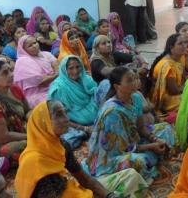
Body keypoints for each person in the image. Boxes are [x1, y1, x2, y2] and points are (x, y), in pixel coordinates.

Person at [15, 100, 148, 198]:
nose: (66, 119)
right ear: (44, 122)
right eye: (59, 115)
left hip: (77, 192)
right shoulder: (35, 162)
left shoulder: (62, 145)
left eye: (65, 113)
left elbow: (84, 178)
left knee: (131, 176)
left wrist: (108, 195)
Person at [85, 67, 175, 183]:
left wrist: (155, 139)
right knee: (138, 162)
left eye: (134, 79)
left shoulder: (136, 98)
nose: (135, 82)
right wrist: (152, 146)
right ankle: (152, 159)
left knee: (166, 128)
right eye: (129, 80)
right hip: (112, 155)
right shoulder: (113, 112)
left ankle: (153, 156)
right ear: (117, 86)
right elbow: (124, 148)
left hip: (135, 140)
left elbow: (141, 127)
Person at [48, 55, 98, 128]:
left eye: (78, 67)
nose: (75, 71)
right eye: (71, 68)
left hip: (93, 109)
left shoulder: (85, 78)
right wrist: (82, 128)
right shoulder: (58, 88)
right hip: (76, 117)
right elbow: (59, 113)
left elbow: (96, 92)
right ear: (64, 70)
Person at [149, 33, 186, 123]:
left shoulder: (180, 57)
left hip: (177, 90)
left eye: (185, 43)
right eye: (180, 44)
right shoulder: (167, 66)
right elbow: (174, 90)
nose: (184, 46)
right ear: (171, 47)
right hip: (165, 98)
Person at [14, 35, 58, 108]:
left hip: (54, 84)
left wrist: (53, 75)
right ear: (24, 50)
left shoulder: (46, 54)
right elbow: (41, 81)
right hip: (36, 94)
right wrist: (55, 75)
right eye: (30, 46)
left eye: (35, 43)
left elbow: (57, 65)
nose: (34, 46)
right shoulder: (23, 61)